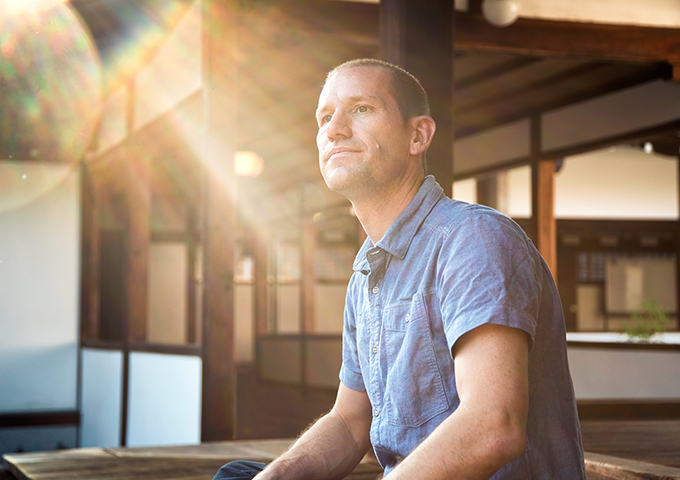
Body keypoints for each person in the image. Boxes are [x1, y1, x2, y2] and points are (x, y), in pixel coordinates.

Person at [213, 58, 586, 480]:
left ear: (417, 136)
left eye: (361, 109)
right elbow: (350, 421)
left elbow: (493, 427)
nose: (333, 128)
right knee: (241, 474)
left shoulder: (473, 239)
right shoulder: (367, 272)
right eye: (324, 117)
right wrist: (277, 476)